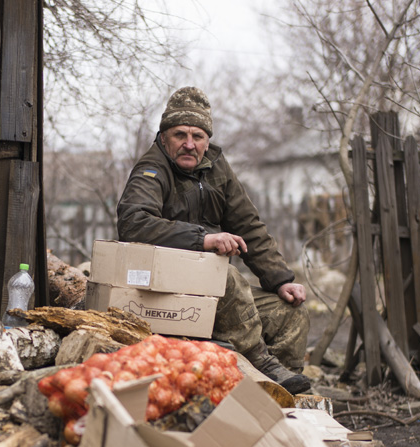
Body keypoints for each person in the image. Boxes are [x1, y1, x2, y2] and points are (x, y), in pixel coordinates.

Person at [115, 87, 311, 395]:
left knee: (290, 312)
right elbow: (133, 223)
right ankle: (261, 362)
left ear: (207, 139)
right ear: (164, 136)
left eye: (198, 136)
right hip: (164, 289)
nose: (189, 145)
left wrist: (281, 279)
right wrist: (203, 239)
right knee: (225, 274)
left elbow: (248, 225)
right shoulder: (151, 170)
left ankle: (281, 394)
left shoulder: (217, 168)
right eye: (180, 134)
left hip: (212, 291)